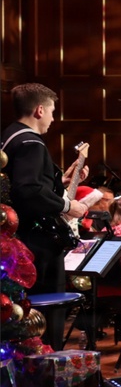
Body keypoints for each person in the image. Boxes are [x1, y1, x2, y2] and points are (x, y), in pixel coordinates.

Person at [1, 83, 89, 294]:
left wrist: (60, 182)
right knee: (48, 304)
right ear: (40, 110)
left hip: (16, 235)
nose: (52, 118)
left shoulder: (10, 135)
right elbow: (28, 190)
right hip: (36, 240)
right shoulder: (32, 143)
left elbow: (19, 182)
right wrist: (68, 206)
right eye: (51, 112)